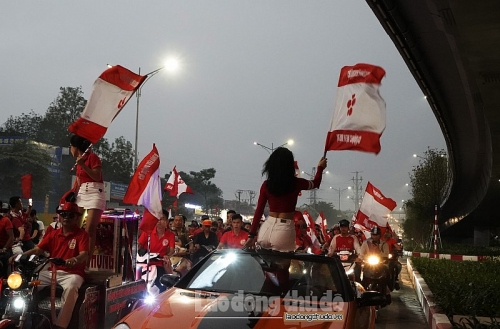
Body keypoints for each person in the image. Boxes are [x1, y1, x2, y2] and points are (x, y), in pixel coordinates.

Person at [11, 201, 89, 329]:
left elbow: (84, 254)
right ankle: (24, 316)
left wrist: (74, 260)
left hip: (73, 273)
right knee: (29, 282)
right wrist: (20, 256)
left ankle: (61, 325)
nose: (66, 218)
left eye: (71, 215)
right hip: (52, 271)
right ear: (59, 216)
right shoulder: (53, 234)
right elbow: (38, 250)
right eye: (63, 214)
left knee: (72, 287)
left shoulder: (82, 235)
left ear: (77, 218)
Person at [244, 147, 327, 251]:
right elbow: (315, 183)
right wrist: (320, 168)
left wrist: (251, 235)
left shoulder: (266, 185)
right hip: (284, 229)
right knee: (283, 265)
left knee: (265, 264)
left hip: (266, 228)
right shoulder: (297, 183)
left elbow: (259, 210)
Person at [70, 134, 105, 262]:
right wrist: (72, 195)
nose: (70, 149)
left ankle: (86, 261)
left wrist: (83, 165)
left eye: (71, 146)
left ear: (76, 147)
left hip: (95, 192)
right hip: (82, 193)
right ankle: (75, 255)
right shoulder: (78, 162)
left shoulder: (93, 158)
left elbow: (96, 176)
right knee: (75, 226)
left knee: (89, 228)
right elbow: (78, 182)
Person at [137, 210, 175, 293]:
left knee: (162, 285)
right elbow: (139, 244)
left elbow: (172, 250)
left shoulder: (170, 235)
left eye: (162, 219)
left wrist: (167, 256)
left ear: (166, 221)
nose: (159, 221)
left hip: (160, 265)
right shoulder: (148, 232)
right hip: (145, 264)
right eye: (157, 219)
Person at [0, 202, 14, 278]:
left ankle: (5, 279)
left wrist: (4, 248)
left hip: (4, 248)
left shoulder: (6, 220)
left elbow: (11, 237)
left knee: (4, 259)